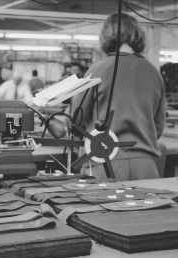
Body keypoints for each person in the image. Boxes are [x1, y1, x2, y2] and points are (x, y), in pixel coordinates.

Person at [71, 12, 165, 181]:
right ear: (138, 36)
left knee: (100, 208)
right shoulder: (154, 73)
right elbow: (158, 127)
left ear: (106, 36)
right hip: (146, 168)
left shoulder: (97, 69)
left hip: (105, 164)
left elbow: (75, 120)